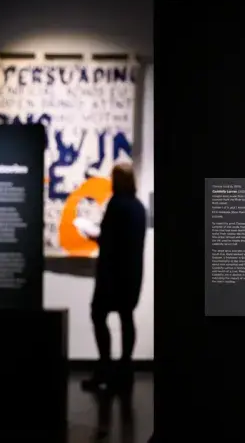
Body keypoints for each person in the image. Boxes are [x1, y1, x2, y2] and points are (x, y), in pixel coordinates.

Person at [82, 162, 147, 393]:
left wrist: (92, 236)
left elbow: (109, 241)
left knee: (98, 315)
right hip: (132, 275)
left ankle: (105, 369)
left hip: (112, 275)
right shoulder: (139, 207)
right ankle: (125, 369)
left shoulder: (116, 205)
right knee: (127, 318)